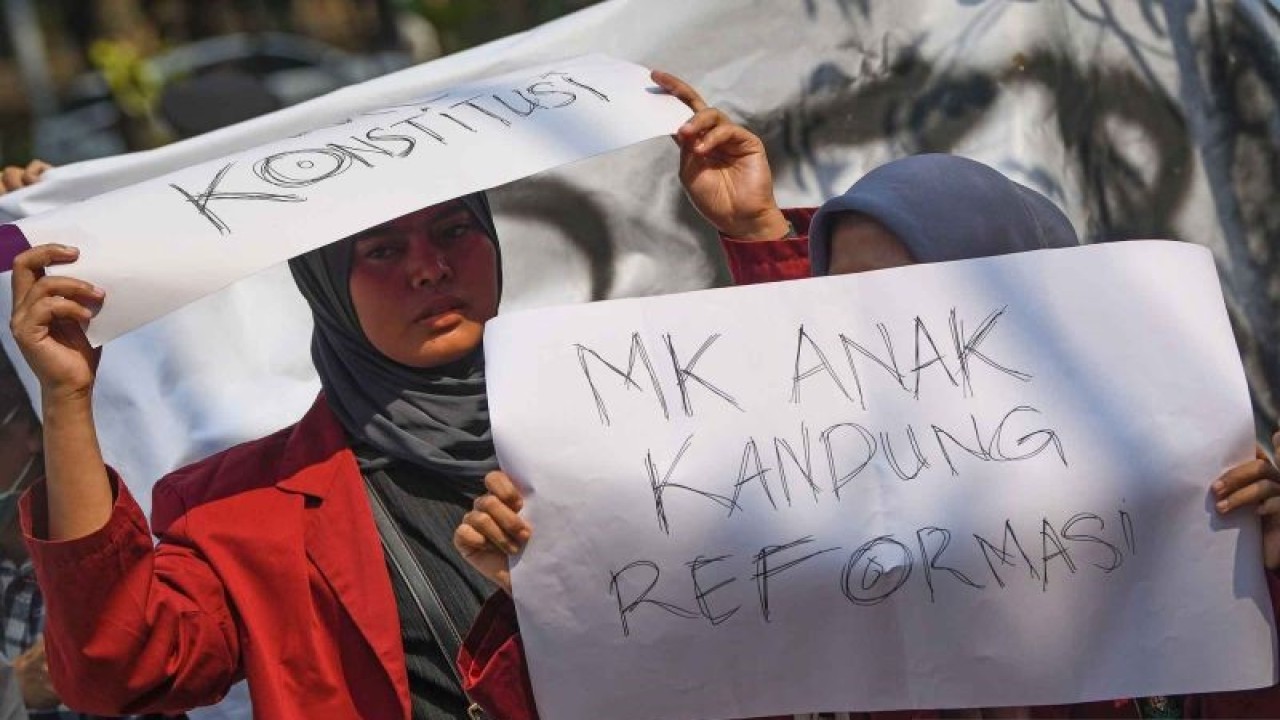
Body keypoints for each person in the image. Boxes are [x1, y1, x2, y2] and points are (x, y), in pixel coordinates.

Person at [452, 73, 1280, 719]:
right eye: (850, 303)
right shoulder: (795, 552)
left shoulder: (1146, 511)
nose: (887, 342)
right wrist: (556, 597)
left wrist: (1262, 571)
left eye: (922, 300)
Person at [9, 191, 508, 718]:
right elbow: (120, 668)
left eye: (454, 231)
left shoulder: (599, 406)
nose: (431, 269)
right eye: (382, 251)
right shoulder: (245, 510)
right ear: (326, 283)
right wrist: (66, 397)